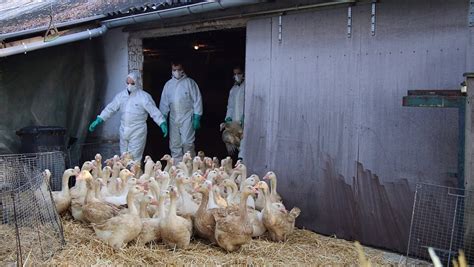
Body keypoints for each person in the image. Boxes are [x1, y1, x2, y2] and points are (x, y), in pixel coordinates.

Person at [88, 71, 168, 163]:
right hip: (123, 131)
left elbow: (154, 112)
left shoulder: (144, 97)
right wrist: (100, 119)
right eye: (128, 83)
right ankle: (125, 176)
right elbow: (111, 108)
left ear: (137, 82)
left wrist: (161, 122)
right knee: (123, 158)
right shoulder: (121, 96)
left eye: (132, 83)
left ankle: (134, 176)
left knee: (134, 159)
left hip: (137, 132)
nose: (130, 85)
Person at [159, 62, 203, 161]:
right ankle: (177, 168)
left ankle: (191, 166)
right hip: (173, 117)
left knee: (187, 142)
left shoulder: (190, 83)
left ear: (183, 69)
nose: (176, 72)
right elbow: (164, 103)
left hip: (187, 116)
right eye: (174, 70)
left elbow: (197, 100)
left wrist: (197, 117)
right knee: (175, 144)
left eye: (178, 69)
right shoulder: (168, 85)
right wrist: (163, 120)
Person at [224, 66, 245, 160]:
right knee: (237, 143)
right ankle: (239, 163)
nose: (237, 76)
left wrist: (245, 116)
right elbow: (230, 106)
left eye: (239, 73)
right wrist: (228, 118)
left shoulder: (247, 87)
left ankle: (241, 162)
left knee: (245, 143)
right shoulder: (233, 90)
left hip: (244, 121)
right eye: (235, 74)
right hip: (235, 121)